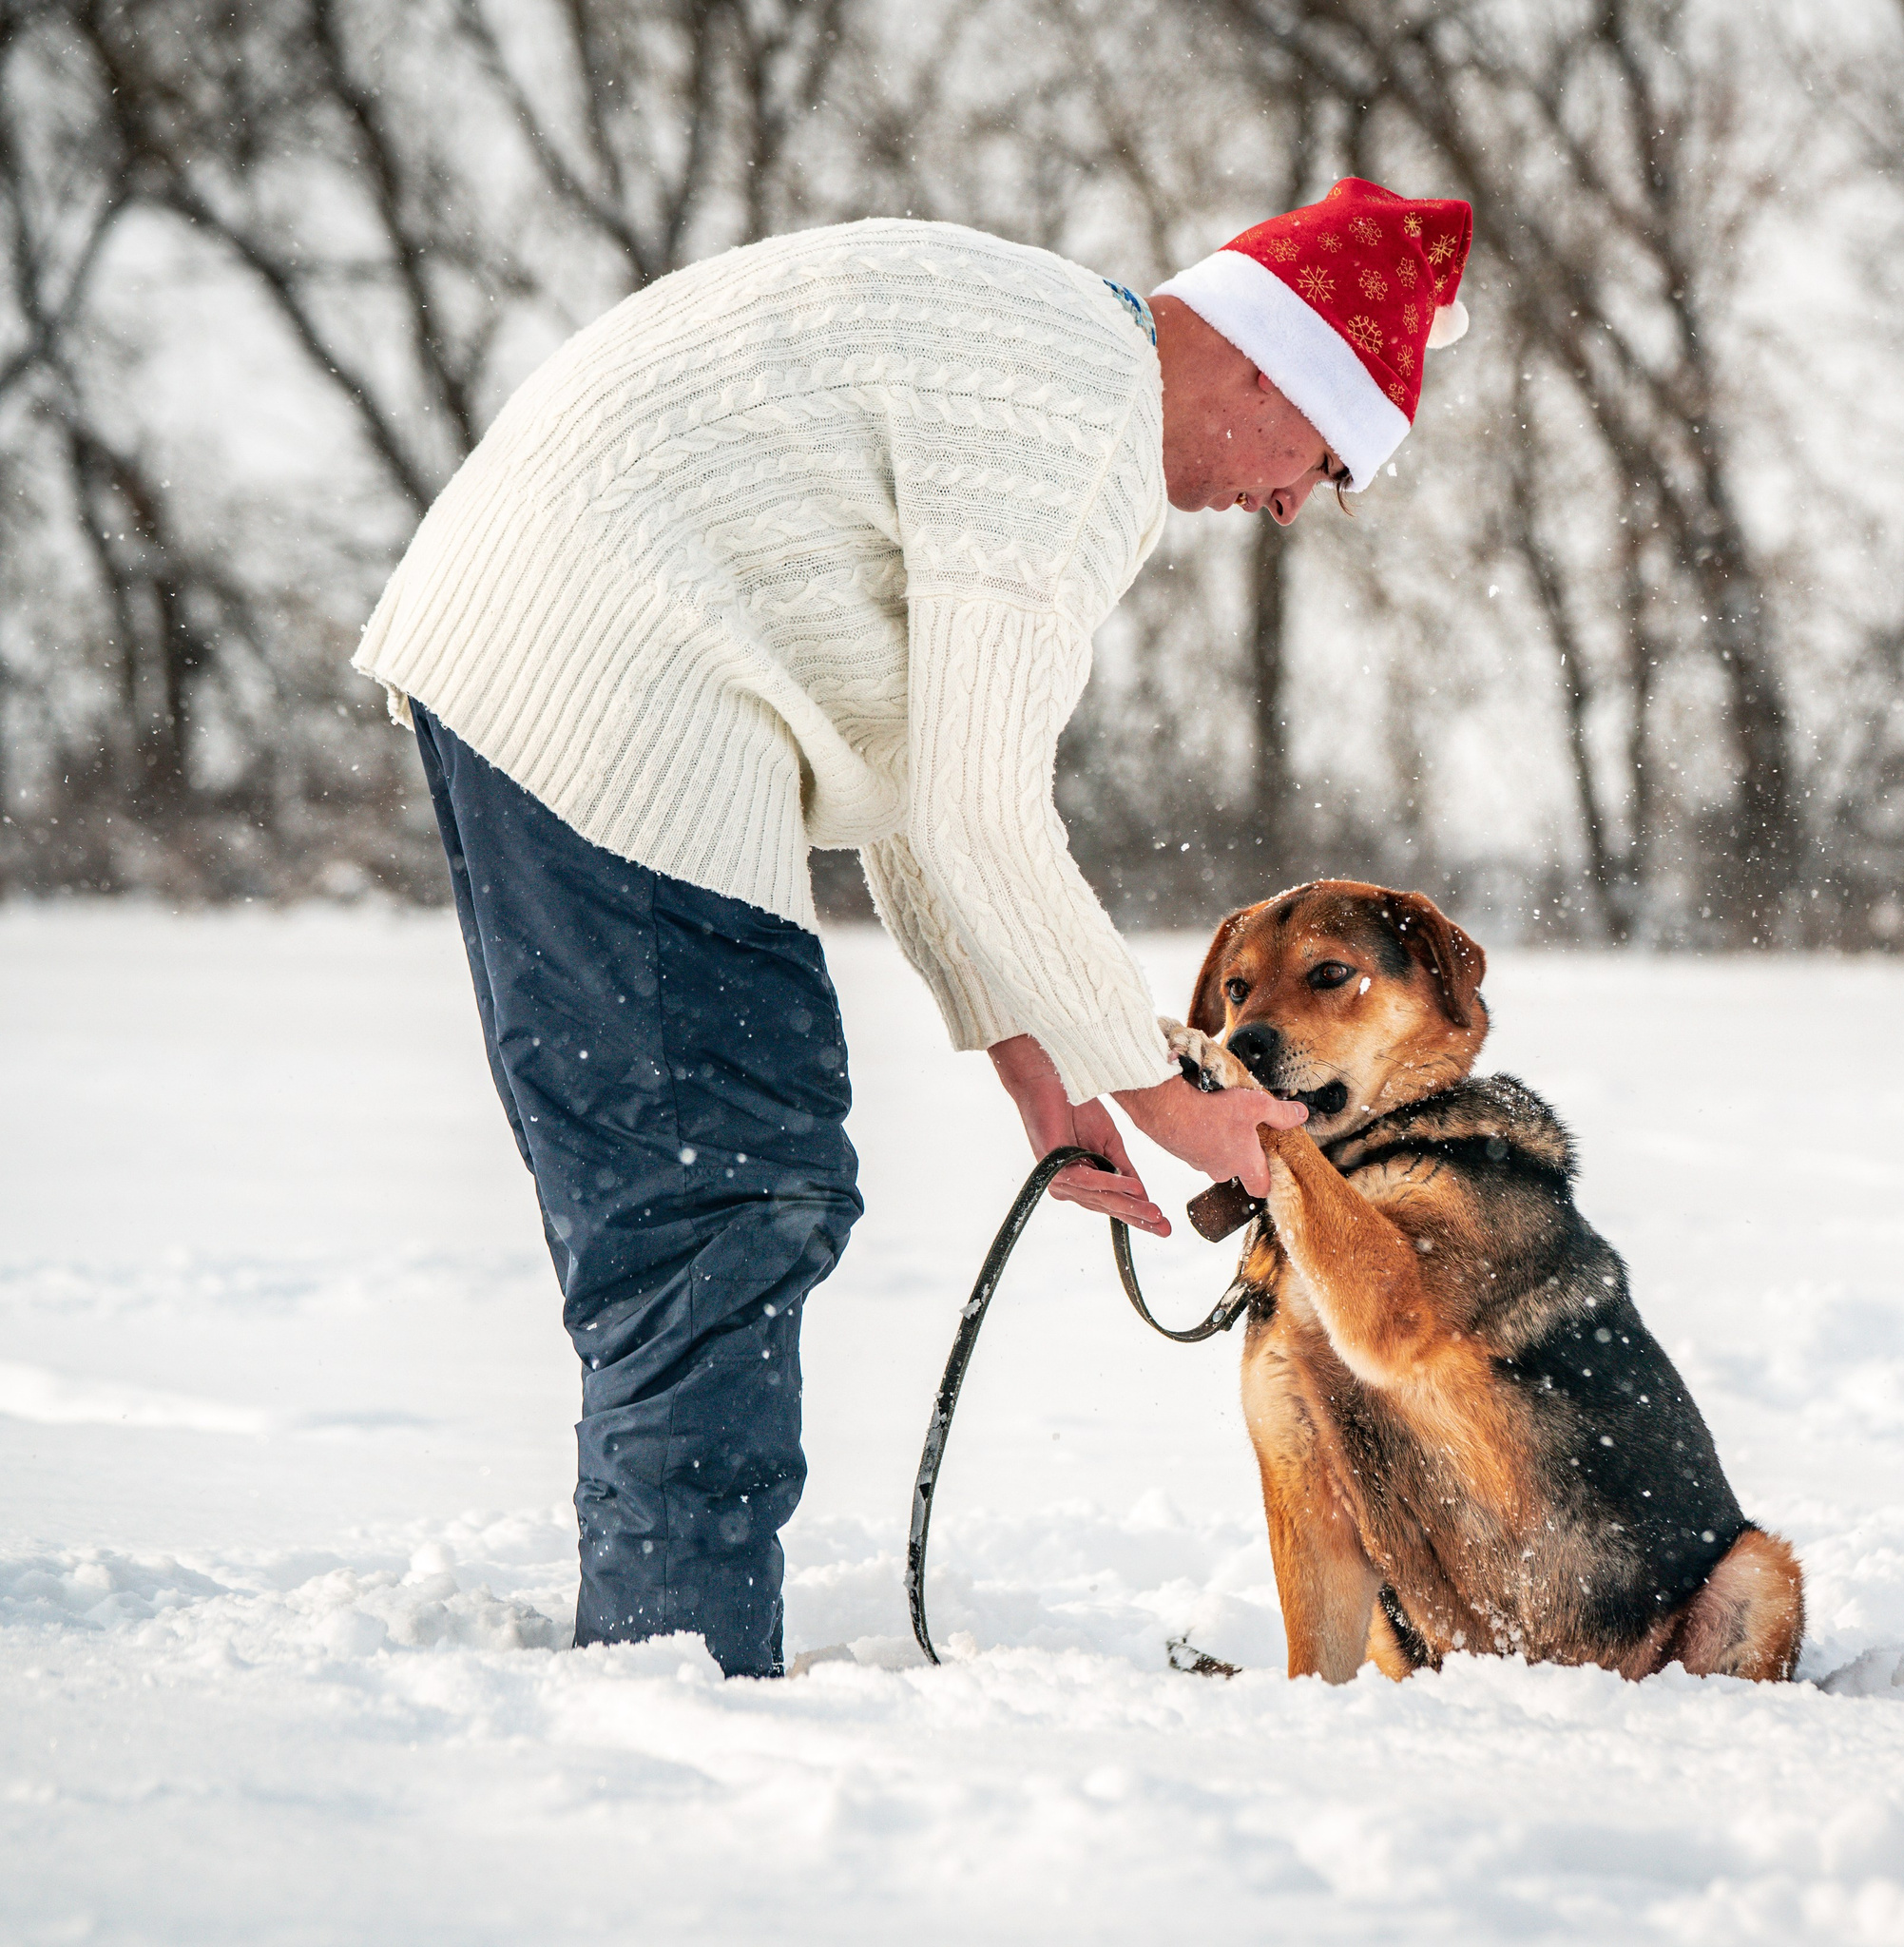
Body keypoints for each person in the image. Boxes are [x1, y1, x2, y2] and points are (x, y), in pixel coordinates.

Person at [354, 178, 1475, 1677]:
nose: (1288, 505)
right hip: (614, 677)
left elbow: (913, 773)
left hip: (545, 648)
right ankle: (674, 1675)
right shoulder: (1079, 426)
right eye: (1321, 462)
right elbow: (977, 813)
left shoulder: (1051, 360)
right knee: (721, 1195)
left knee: (716, 1189)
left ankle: (668, 1643)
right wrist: (1166, 1098)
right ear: (1275, 369)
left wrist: (1038, 1060)